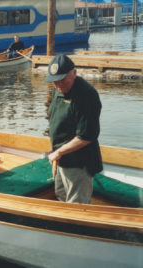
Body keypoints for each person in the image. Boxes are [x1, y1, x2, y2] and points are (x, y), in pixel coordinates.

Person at [45, 54, 103, 204]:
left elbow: (86, 136)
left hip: (79, 163)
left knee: (78, 204)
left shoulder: (87, 95)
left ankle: (82, 228)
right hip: (60, 159)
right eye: (54, 81)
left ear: (74, 73)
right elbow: (57, 119)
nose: (59, 85)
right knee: (61, 194)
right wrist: (55, 148)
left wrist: (59, 151)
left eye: (63, 79)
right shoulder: (58, 88)